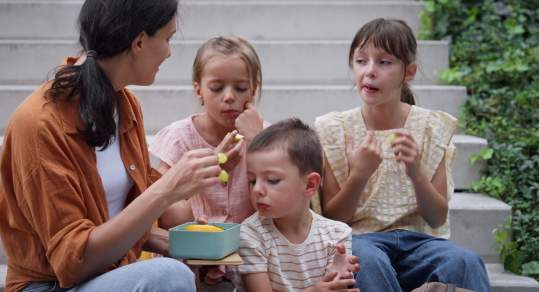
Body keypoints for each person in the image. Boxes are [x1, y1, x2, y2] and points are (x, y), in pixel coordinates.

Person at [0, 0, 224, 292]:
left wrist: (189, 246)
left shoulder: (125, 104)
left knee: (180, 259)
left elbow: (118, 222)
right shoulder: (38, 124)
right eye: (168, 38)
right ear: (140, 42)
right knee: (169, 277)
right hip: (50, 284)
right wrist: (166, 190)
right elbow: (72, 262)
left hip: (111, 272)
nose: (170, 52)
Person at [315, 18, 492, 291]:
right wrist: (359, 174)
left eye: (384, 62)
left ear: (409, 72)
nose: (370, 72)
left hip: (421, 243)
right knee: (367, 261)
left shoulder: (431, 127)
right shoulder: (336, 130)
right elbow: (333, 219)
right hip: (363, 239)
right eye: (361, 61)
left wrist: (416, 173)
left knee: (465, 261)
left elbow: (437, 218)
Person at [149, 34, 268, 284]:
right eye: (216, 88)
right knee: (176, 208)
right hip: (193, 246)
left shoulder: (265, 135)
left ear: (254, 90)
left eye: (241, 88)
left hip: (250, 250)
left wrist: (257, 140)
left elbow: (284, 189)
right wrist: (211, 166)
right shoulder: (180, 138)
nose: (228, 96)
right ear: (199, 91)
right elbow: (161, 200)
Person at [229, 118, 360, 292]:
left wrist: (338, 280)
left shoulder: (337, 234)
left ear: (309, 185)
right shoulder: (250, 234)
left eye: (272, 180)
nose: (257, 190)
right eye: (252, 180)